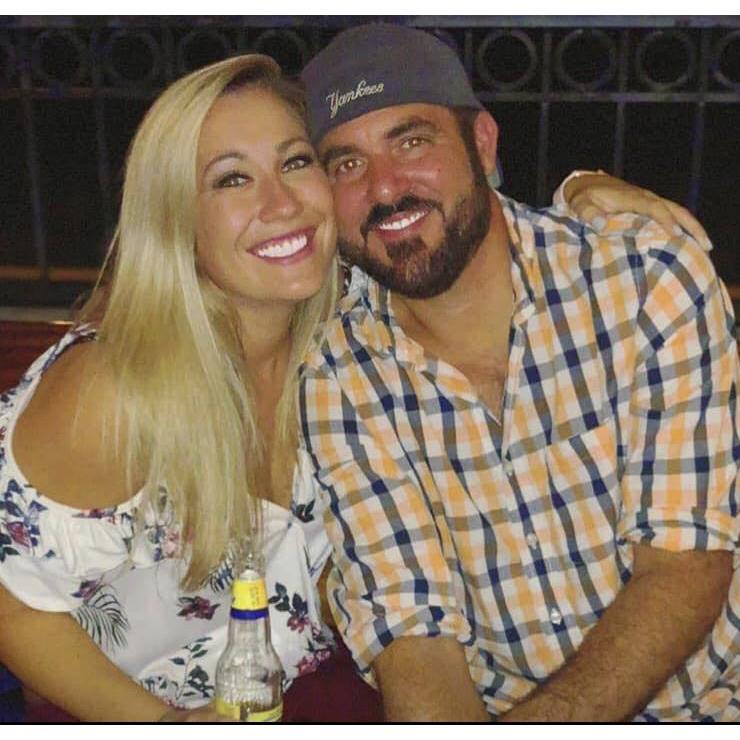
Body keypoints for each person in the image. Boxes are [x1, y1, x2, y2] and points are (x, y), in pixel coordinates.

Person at [0, 48, 711, 723]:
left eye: (296, 162)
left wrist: (583, 189)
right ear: (175, 218)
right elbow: (11, 597)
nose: (281, 203)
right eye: (231, 179)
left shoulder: (343, 331)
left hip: (303, 686)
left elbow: (446, 226)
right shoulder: (117, 392)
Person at [298, 23, 739, 722]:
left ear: (482, 144)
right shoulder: (339, 377)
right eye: (346, 164)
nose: (384, 187)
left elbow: (684, 563)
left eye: (412, 142)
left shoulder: (646, 280)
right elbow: (413, 634)